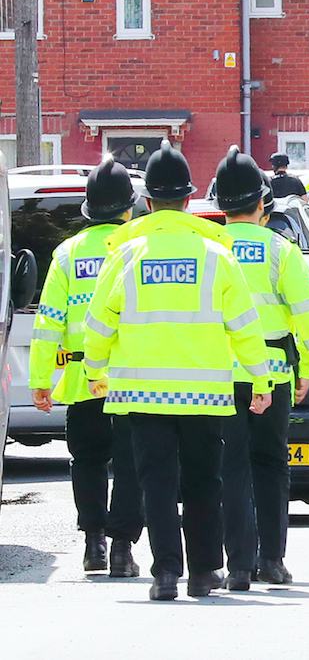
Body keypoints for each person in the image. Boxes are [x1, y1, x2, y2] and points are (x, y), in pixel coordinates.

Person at [82, 140, 274, 601]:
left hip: (143, 394)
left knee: (157, 483)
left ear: (146, 202)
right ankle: (204, 572)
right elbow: (245, 327)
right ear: (189, 200)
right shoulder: (216, 255)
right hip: (206, 394)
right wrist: (262, 380)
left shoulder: (125, 255)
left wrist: (94, 370)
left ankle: (166, 572)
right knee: (205, 481)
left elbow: (98, 324)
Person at [213, 146, 309, 591]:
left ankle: (237, 565)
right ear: (263, 203)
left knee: (229, 468)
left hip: (217, 378)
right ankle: (271, 560)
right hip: (272, 376)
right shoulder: (281, 252)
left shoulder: (209, 250)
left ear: (219, 204)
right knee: (272, 465)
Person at [29, 157, 145, 577]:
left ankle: (93, 542)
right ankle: (121, 548)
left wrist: (41, 380)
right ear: (128, 209)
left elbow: (47, 325)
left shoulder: (67, 253)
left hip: (81, 380)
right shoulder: (139, 249)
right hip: (133, 379)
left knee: (89, 460)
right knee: (133, 463)